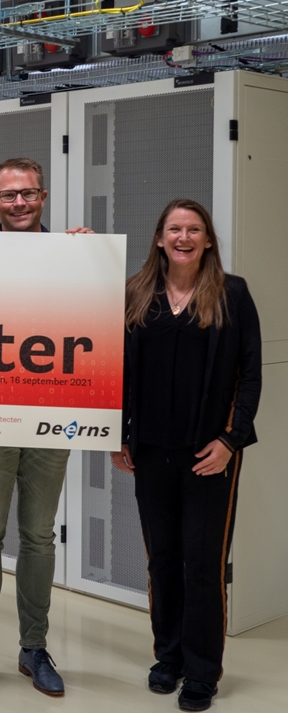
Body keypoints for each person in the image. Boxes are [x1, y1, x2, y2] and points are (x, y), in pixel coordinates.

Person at [111, 199, 260, 712]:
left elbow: (250, 373)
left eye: (194, 229)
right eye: (174, 228)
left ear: (208, 239)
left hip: (209, 454)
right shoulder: (136, 293)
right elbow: (118, 370)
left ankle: (201, 670)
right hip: (151, 451)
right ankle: (168, 656)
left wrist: (231, 440)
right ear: (159, 237)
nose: (184, 237)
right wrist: (118, 434)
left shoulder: (231, 293)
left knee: (202, 564)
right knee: (163, 560)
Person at [0, 157, 91, 700]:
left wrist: (91, 260)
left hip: (51, 416)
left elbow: (95, 321)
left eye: (29, 193)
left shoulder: (72, 256)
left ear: (43, 197)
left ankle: (33, 649)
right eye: (9, 195)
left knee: (39, 535)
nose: (19, 203)